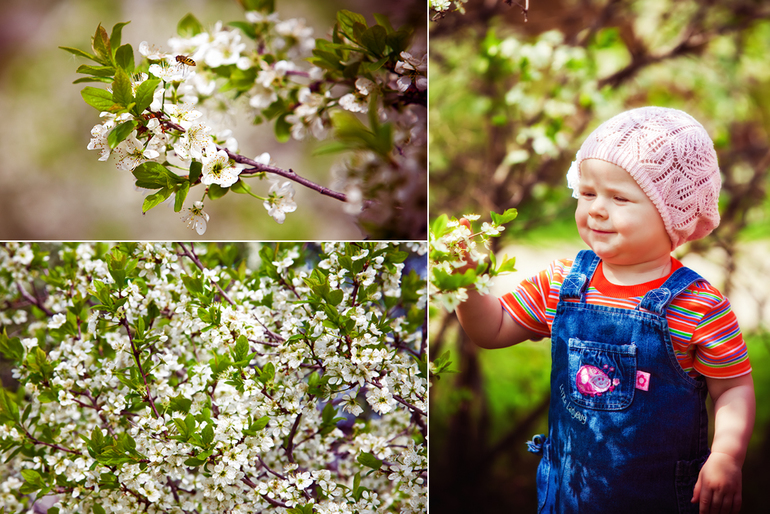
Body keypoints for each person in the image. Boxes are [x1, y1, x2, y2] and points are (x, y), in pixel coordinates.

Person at [455, 107, 755, 513]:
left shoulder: (698, 306)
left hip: (658, 499)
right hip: (567, 496)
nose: (596, 208)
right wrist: (466, 283)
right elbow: (492, 330)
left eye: (619, 197)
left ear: (674, 215)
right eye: (588, 193)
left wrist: (725, 457)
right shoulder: (562, 282)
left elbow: (733, 388)